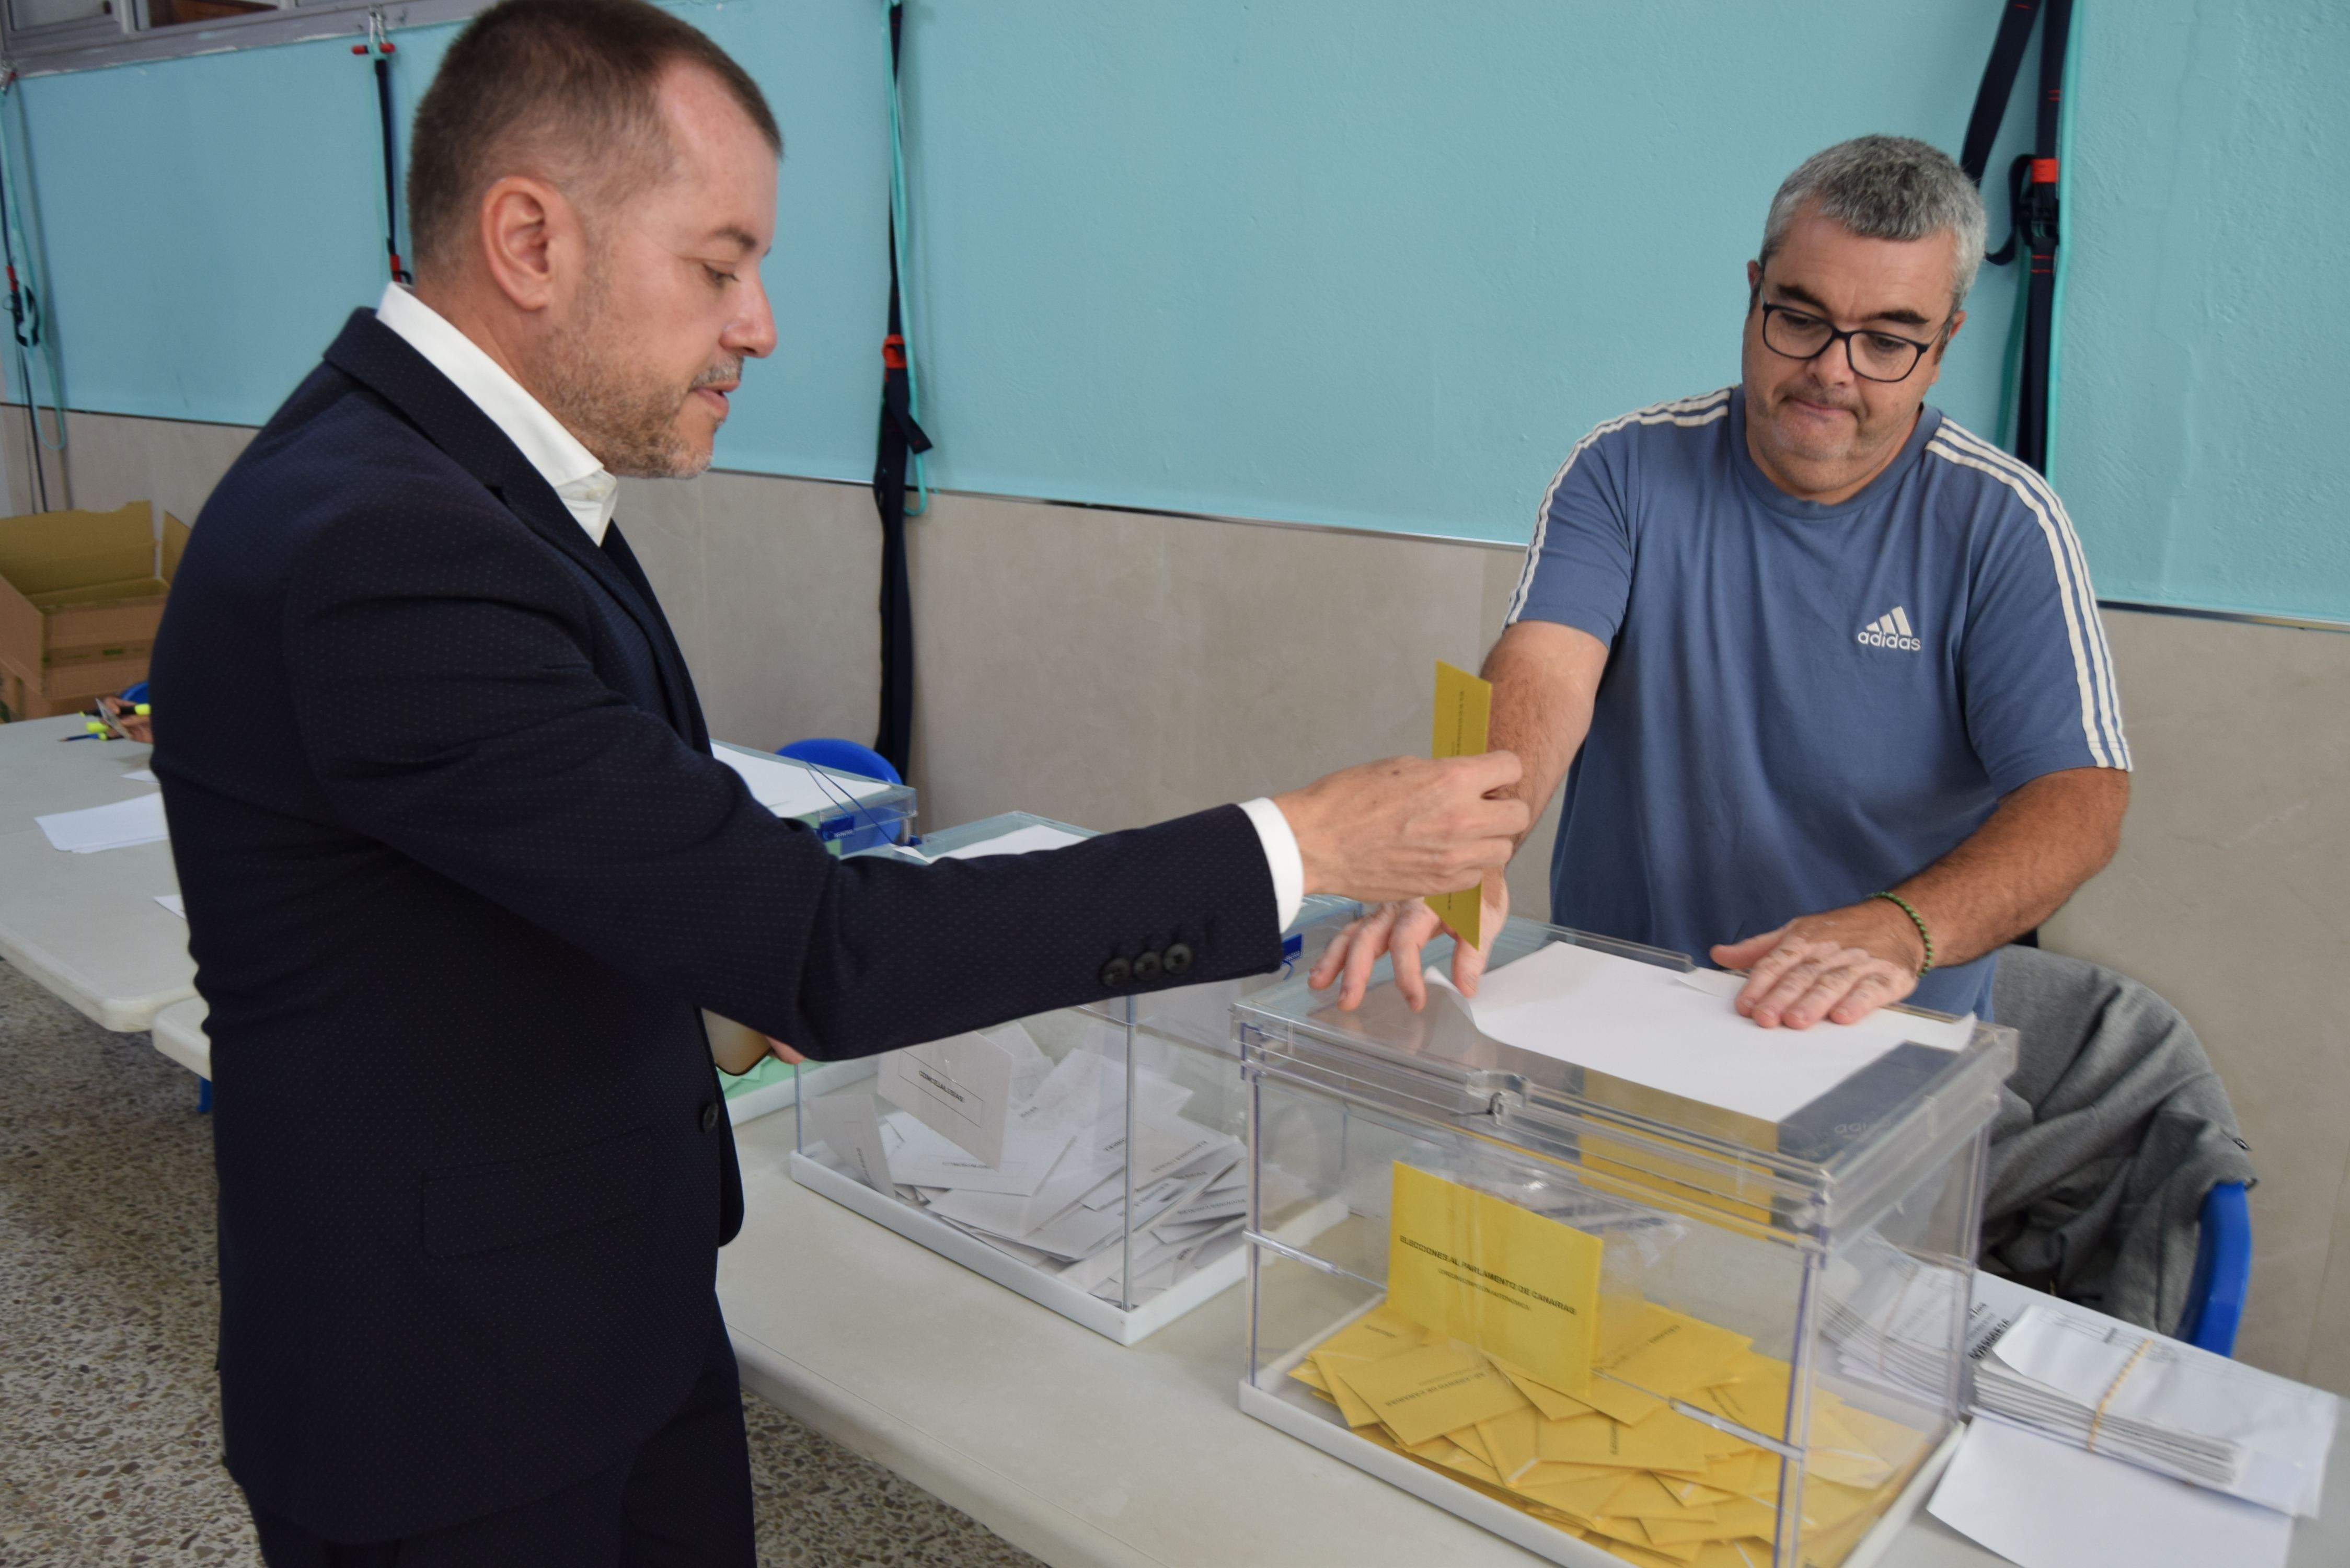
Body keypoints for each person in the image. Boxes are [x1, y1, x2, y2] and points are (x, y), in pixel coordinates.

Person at [146, 3, 1524, 1562]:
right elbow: (827, 949)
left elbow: (601, 896)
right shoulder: (384, 550)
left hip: (602, 1315)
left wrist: (735, 969)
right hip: (456, 1409)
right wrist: (1309, 841)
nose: (763, 325)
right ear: (529, 238)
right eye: (721, 264)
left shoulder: (457, 487)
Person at [1315, 135, 2129, 1034]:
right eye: (1801, 317)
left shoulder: (2005, 523)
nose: (1832, 369)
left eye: (1888, 341)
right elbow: (1545, 667)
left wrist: (1905, 929)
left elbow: (2079, 798)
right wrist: (1471, 846)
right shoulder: (1625, 470)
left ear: (1945, 344)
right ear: (1754, 292)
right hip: (1616, 1012)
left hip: (1874, 1043)